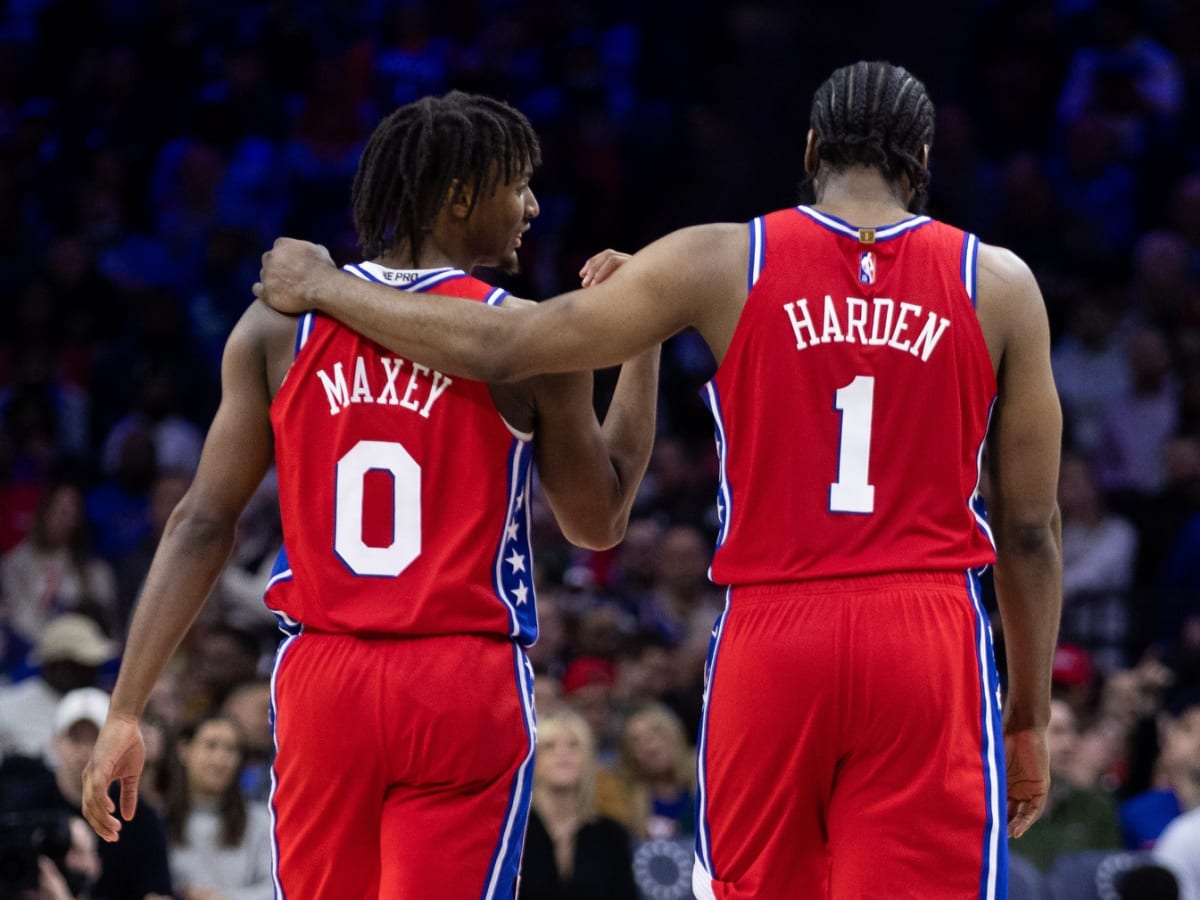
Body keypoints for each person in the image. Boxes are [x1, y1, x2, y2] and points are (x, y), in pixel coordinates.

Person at [256, 60, 1064, 900]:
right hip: (925, 630)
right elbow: (1032, 532)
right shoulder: (999, 284)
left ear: (813, 147)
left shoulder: (722, 256)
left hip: (775, 628)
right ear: (924, 158)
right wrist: (1030, 718)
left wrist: (322, 285)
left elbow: (504, 345)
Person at [81, 91, 659, 900]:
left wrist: (126, 709)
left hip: (326, 680)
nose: (532, 205)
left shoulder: (278, 327)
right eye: (518, 184)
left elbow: (202, 523)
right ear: (459, 196)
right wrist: (644, 342)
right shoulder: (536, 339)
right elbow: (598, 522)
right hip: (461, 679)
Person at [518, 709, 638, 900]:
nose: (562, 754)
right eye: (549, 746)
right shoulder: (513, 834)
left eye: (574, 746)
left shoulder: (611, 835)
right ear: (533, 760)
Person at [163, 714, 273, 900]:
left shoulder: (261, 821)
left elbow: (276, 887)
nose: (220, 759)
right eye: (210, 745)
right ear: (184, 750)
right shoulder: (159, 818)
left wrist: (225, 898)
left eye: (231, 750)